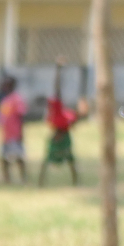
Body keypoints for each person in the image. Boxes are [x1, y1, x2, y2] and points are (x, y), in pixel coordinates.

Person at [39, 58, 80, 186]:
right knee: (58, 160)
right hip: (59, 135)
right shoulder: (56, 112)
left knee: (68, 160)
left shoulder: (58, 110)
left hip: (62, 136)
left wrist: (58, 69)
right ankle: (42, 182)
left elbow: (57, 88)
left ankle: (75, 181)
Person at [0, 74, 28, 184]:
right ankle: (7, 179)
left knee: (18, 157)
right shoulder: (5, 99)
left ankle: (24, 178)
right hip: (5, 134)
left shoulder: (17, 99)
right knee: (3, 157)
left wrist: (21, 133)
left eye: (7, 84)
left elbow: (21, 117)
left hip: (15, 134)